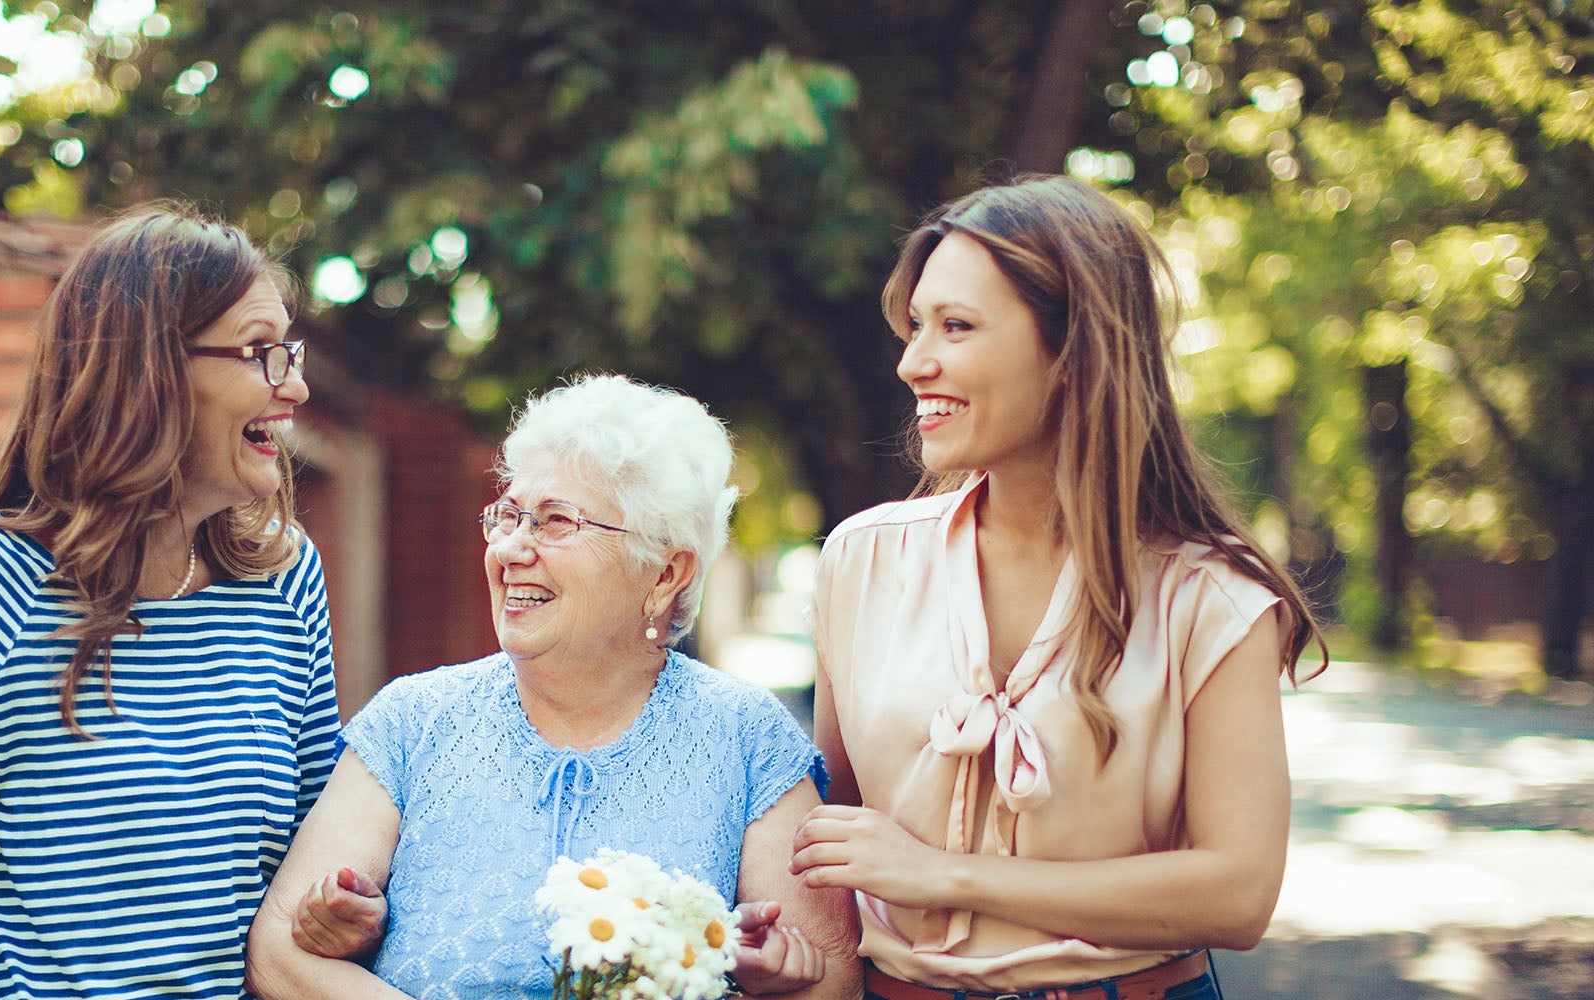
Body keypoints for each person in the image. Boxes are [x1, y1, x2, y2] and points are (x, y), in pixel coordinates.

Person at [791, 175, 1327, 1000]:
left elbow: (1238, 894)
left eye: (956, 327)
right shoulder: (860, 563)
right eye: (915, 327)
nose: (912, 361)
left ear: (1074, 352)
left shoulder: (1211, 600)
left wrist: (947, 875)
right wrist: (779, 949)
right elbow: (832, 848)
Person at [243, 374, 861, 999]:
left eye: (555, 521)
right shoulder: (413, 720)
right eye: (508, 517)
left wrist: (769, 977)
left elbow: (830, 979)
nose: (511, 548)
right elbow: (279, 953)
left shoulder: (748, 738)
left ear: (665, 573)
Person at [0, 204, 339, 1000]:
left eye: (286, 352)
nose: (293, 385)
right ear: (151, 370)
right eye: (260, 352)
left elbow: (314, 859)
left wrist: (344, 907)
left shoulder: (285, 578)